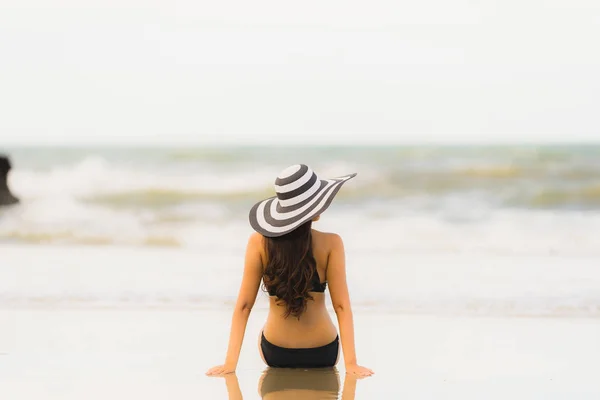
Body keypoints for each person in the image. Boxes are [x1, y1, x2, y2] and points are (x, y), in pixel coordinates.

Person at [206, 164, 373, 377]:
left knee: (263, 331)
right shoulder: (332, 243)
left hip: (276, 353)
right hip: (323, 353)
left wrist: (229, 364)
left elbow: (244, 306)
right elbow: (341, 306)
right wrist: (351, 365)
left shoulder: (258, 243)